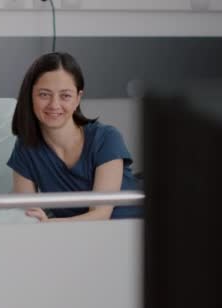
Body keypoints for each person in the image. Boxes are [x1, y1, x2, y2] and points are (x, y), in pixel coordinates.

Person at [7, 52, 141, 221]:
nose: (54, 105)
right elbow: (27, 215)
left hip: (130, 232)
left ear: (78, 98)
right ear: (30, 96)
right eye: (44, 94)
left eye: (65, 96)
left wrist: (48, 224)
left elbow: (101, 215)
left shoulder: (106, 138)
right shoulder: (26, 148)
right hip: (76, 238)